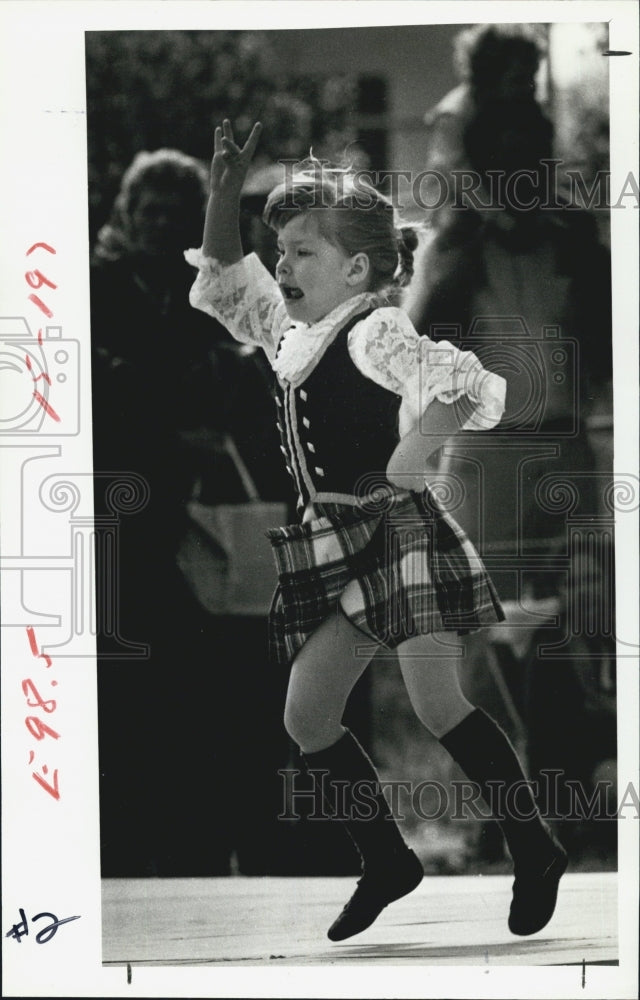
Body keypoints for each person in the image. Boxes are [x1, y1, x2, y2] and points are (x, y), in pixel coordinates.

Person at [184, 119, 568, 942]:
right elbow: (222, 280)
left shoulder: (374, 329)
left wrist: (418, 449)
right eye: (280, 251)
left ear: (356, 268)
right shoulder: (289, 337)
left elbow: (468, 384)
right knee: (308, 717)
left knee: (436, 704)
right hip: (335, 550)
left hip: (399, 535)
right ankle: (388, 861)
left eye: (301, 254)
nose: (281, 266)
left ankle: (533, 845)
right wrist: (222, 194)